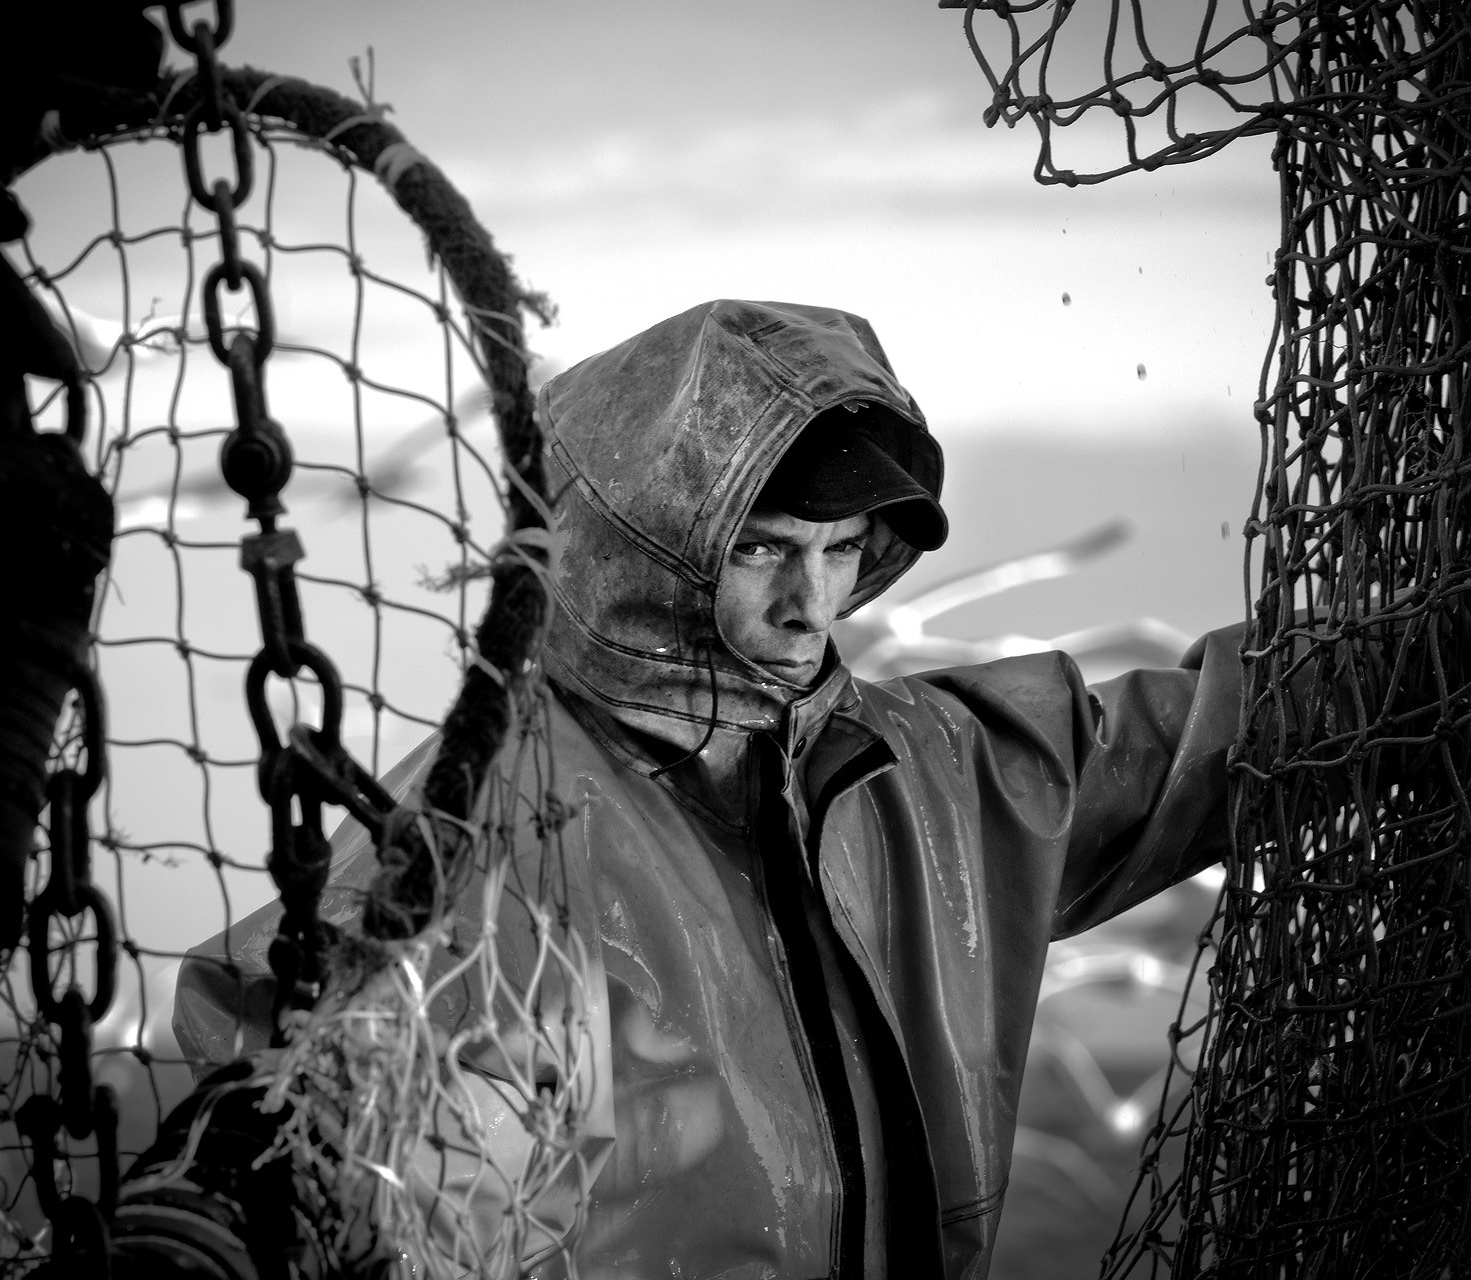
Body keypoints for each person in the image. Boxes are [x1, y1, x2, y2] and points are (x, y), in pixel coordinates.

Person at [174, 299, 1240, 1279]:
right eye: (765, 547)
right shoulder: (494, 815)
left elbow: (1219, 737)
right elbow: (264, 1063)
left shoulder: (942, 773)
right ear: (640, 551)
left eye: (841, 549)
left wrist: (1398, 652)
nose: (809, 602)